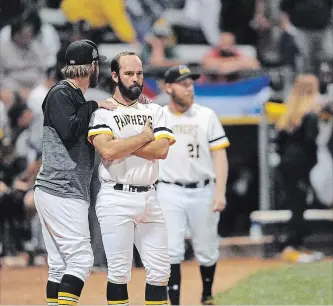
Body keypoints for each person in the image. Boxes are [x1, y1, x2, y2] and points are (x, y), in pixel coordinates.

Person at [88, 51, 175, 305]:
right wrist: (144, 137)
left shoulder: (154, 109)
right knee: (118, 273)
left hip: (149, 195)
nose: (135, 79)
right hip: (115, 196)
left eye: (139, 74)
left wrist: (122, 143)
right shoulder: (104, 112)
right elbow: (106, 150)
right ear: (115, 76)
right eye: (129, 74)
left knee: (160, 272)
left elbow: (161, 151)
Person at [33, 40, 115, 306]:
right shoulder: (61, 93)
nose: (96, 69)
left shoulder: (73, 96)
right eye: (95, 64)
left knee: (59, 265)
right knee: (81, 259)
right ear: (89, 67)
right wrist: (93, 106)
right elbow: (69, 132)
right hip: (61, 189)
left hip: (59, 189)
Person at [157, 65, 230, 305]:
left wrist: (220, 192)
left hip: (203, 189)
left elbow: (220, 155)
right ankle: (174, 302)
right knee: (172, 250)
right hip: (169, 188)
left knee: (207, 249)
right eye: (184, 84)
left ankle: (207, 294)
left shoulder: (205, 115)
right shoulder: (159, 116)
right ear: (168, 87)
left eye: (191, 84)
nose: (190, 88)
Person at [274, 74, 324, 262]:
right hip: (301, 164)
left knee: (294, 204)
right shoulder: (310, 115)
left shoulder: (289, 114)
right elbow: (312, 142)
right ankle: (291, 245)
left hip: (286, 164)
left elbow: (278, 142)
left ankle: (296, 244)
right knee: (298, 205)